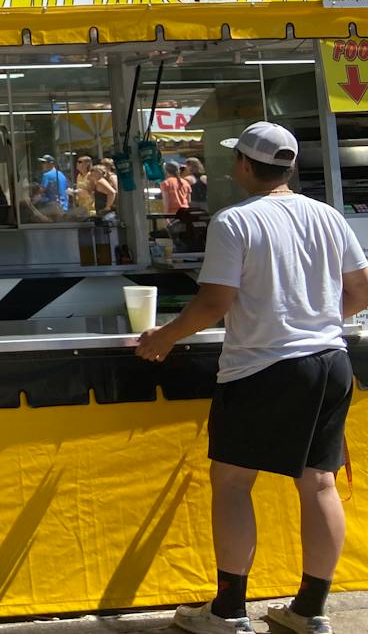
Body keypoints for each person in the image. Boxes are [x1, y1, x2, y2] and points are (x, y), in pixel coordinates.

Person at [136, 123, 368, 634]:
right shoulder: (327, 215)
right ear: (287, 167)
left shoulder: (235, 221)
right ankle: (310, 610)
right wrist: (317, 316)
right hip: (331, 361)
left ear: (244, 165)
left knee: (234, 482)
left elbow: (215, 302)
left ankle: (229, 610)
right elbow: (361, 291)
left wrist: (166, 336)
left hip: (263, 367)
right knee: (320, 483)